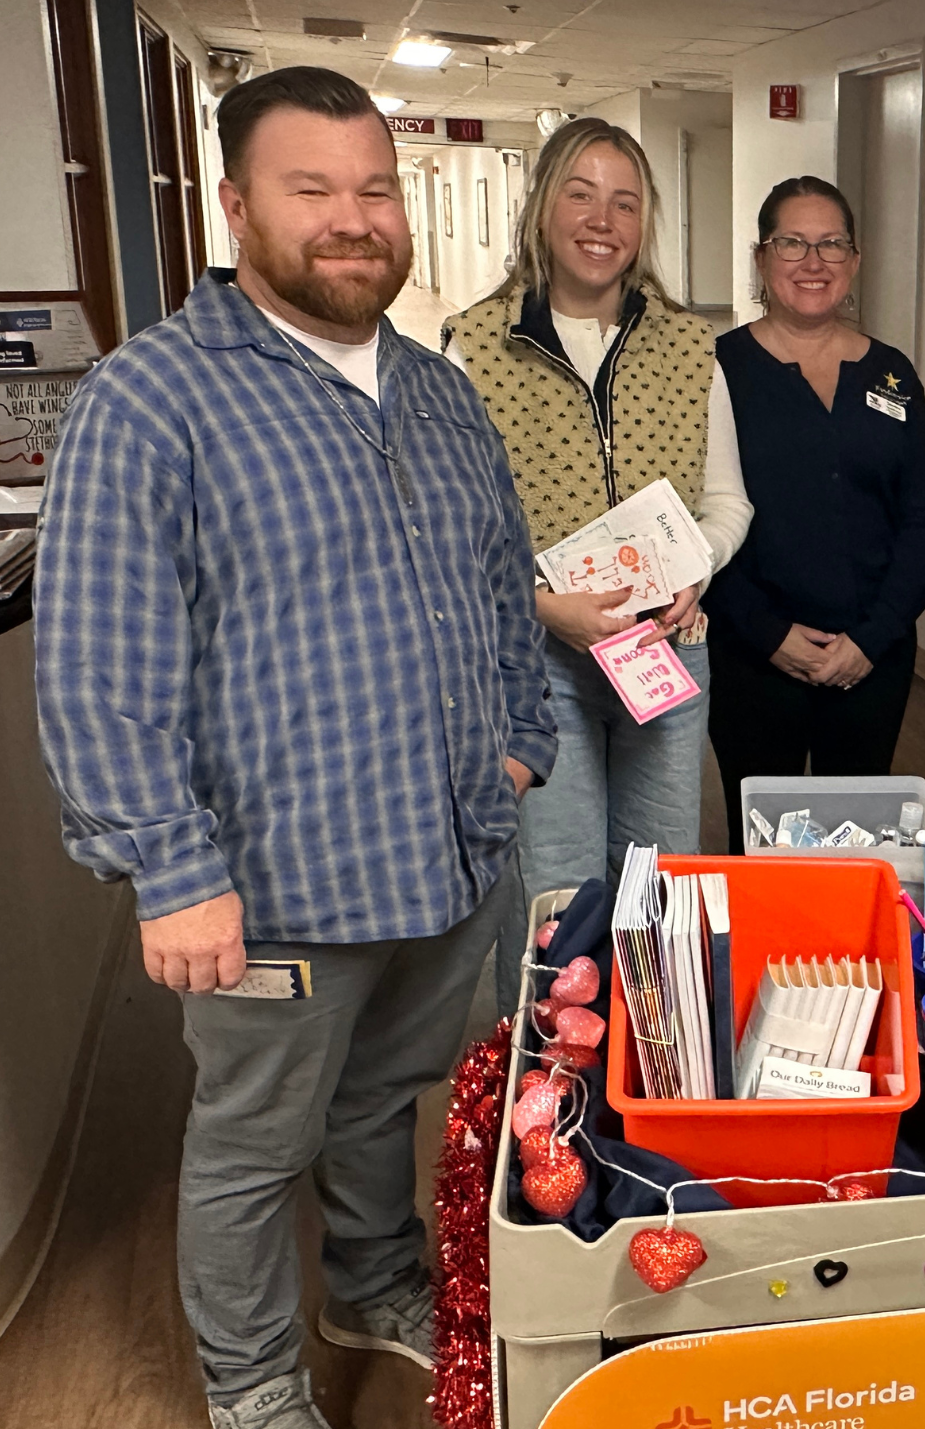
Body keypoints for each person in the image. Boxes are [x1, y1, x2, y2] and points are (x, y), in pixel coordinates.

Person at [34, 67, 554, 1429]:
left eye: (373, 189)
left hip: (445, 851)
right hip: (271, 884)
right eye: (311, 189)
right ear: (237, 206)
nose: (352, 219)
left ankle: (374, 1283)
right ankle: (254, 1381)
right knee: (253, 1146)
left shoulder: (439, 396)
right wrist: (167, 868)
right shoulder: (153, 401)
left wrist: (516, 747)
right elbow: (101, 662)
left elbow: (507, 592)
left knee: (389, 1097)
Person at [443, 117, 751, 1016]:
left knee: (656, 890)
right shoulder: (475, 347)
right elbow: (456, 530)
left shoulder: (691, 348)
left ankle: (643, 1085)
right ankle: (543, 1114)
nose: (601, 218)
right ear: (542, 208)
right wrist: (547, 608)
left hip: (667, 649)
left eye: (624, 200)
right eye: (580, 193)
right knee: (557, 901)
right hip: (538, 667)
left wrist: (697, 568)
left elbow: (728, 503)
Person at [704, 177, 925, 851]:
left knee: (860, 845)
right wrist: (767, 633)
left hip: (871, 659)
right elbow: (698, 524)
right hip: (753, 657)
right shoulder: (717, 370)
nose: (814, 261)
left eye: (832, 243)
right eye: (792, 243)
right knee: (761, 845)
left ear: (855, 260)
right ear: (761, 258)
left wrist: (873, 637)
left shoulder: (891, 374)